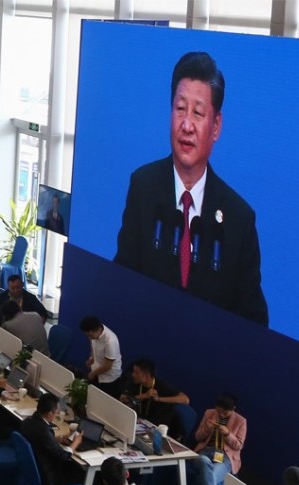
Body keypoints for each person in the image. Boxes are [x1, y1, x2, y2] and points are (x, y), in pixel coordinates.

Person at [113, 51, 266, 325]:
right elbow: (121, 279)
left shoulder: (239, 219)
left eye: (197, 113)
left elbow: (254, 322)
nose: (186, 125)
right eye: (180, 109)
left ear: (216, 126)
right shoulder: (143, 187)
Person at [190, 393, 246, 485]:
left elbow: (239, 445)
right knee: (202, 459)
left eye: (225, 413)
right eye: (218, 411)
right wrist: (207, 429)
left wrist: (227, 434)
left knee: (211, 475)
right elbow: (197, 437)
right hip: (206, 451)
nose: (220, 415)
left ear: (233, 409)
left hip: (225, 457)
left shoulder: (241, 421)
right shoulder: (209, 413)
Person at [20, 393, 85, 485]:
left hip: (33, 466)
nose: (56, 415)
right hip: (48, 475)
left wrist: (56, 439)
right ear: (50, 413)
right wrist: (75, 443)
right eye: (56, 413)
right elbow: (63, 455)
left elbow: (40, 440)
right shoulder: (44, 430)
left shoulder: (28, 421)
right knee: (80, 472)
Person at [121, 359, 189, 436]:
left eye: (137, 373)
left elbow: (185, 399)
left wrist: (160, 399)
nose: (133, 374)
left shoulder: (161, 385)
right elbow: (123, 399)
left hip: (156, 425)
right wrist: (144, 395)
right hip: (138, 422)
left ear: (146, 376)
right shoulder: (134, 382)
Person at [80, 316, 123, 397]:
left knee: (103, 402)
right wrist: (92, 357)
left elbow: (108, 366)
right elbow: (93, 343)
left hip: (109, 378)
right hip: (97, 370)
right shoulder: (94, 331)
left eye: (90, 335)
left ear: (98, 330)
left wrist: (92, 374)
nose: (89, 338)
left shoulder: (111, 341)